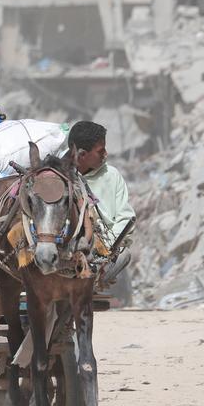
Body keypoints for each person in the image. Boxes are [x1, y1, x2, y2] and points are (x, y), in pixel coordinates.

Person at [68, 121, 136, 304]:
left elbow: (125, 217)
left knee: (124, 255)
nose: (106, 154)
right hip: (66, 248)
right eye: (100, 151)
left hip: (100, 251)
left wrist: (106, 248)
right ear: (82, 154)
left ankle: (93, 284)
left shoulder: (111, 175)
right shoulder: (60, 176)